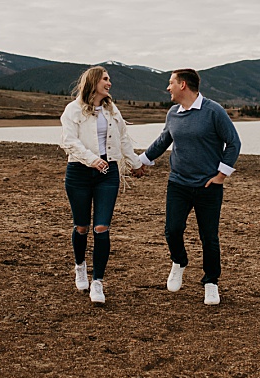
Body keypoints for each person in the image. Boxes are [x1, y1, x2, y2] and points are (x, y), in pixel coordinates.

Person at [140, 68, 241, 305]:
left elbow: (234, 143)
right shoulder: (173, 113)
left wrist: (221, 175)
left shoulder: (213, 111)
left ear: (183, 85)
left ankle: (211, 282)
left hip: (208, 186)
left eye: (171, 83)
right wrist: (140, 161)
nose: (168, 88)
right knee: (172, 230)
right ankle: (179, 261)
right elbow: (163, 140)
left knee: (209, 237)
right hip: (178, 183)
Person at [60, 66, 148, 304]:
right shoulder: (73, 110)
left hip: (108, 173)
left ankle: (97, 282)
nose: (109, 83)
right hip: (79, 173)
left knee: (101, 227)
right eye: (106, 79)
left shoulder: (111, 110)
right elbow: (69, 141)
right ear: (94, 82)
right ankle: (80, 266)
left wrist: (135, 163)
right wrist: (91, 159)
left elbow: (122, 140)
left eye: (109, 80)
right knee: (81, 226)